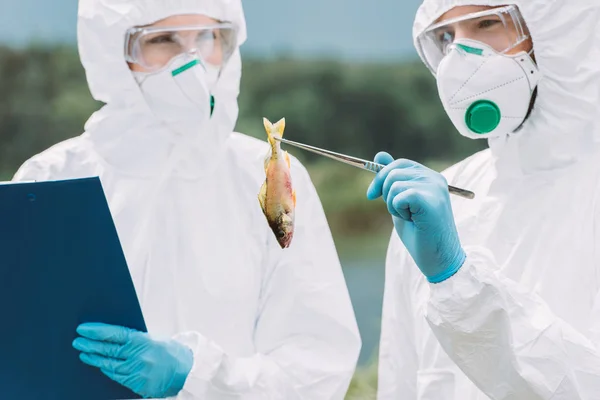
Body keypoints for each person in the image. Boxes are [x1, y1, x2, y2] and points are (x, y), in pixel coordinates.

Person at [12, 0, 361, 398]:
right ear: (109, 51)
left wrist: (197, 377)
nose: (191, 62)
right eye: (162, 39)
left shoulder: (270, 176)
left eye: (209, 37)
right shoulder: (52, 177)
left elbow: (318, 366)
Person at [370, 1, 600, 399]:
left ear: (561, 29)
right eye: (446, 36)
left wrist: (456, 281)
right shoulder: (438, 202)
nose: (458, 57)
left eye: (487, 22)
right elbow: (401, 382)